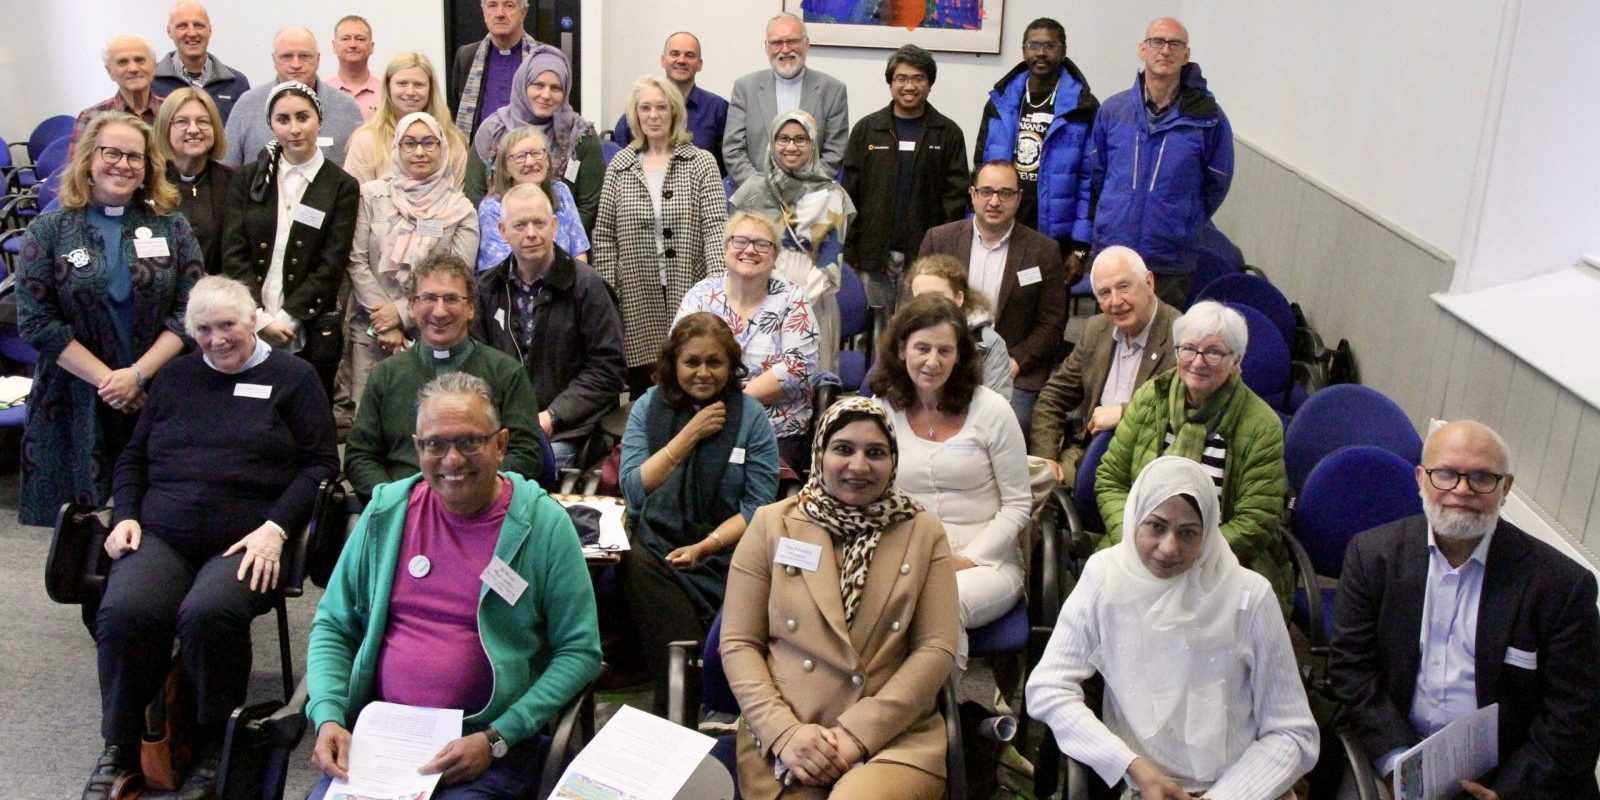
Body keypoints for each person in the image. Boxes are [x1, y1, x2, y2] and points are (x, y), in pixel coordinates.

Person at [81, 275, 338, 800]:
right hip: (163, 530)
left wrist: (276, 529)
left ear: (252, 321)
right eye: (203, 329)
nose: (217, 339)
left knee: (208, 615)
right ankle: (121, 745)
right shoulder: (175, 378)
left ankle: (212, 741)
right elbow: (133, 458)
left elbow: (319, 466)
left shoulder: (294, 377)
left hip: (249, 536)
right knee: (125, 610)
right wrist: (126, 514)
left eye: (228, 325)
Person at [306, 372, 601, 800]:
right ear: (416, 447)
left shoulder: (544, 525)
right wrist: (330, 715)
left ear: (500, 445)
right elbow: (334, 625)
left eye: (470, 442)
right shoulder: (385, 515)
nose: (452, 460)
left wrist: (499, 736)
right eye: (435, 444)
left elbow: (580, 651)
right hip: (384, 740)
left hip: (486, 745)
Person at [1330, 420, 1600, 798]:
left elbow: (1575, 717)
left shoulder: (1561, 586)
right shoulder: (1372, 555)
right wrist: (1398, 765)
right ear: (1421, 479)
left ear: (1505, 488)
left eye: (1480, 477)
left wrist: (1508, 792)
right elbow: (1351, 671)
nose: (1461, 490)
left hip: (1507, 774)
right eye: (1446, 474)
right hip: (1393, 752)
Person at [1027, 456, 1318, 800]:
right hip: (1145, 787)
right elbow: (1048, 688)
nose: (1169, 548)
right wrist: (1129, 764)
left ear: (1209, 532)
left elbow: (1293, 732)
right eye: (1156, 526)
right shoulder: (1106, 576)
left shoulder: (1249, 596)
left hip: (1241, 789)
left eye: (1188, 533)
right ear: (1135, 518)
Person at [721, 395, 958, 799]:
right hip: (789, 735)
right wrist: (784, 732)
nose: (859, 466)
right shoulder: (771, 524)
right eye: (843, 449)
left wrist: (857, 734)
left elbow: (936, 649)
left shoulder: (923, 532)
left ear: (893, 461)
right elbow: (739, 642)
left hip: (893, 736)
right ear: (819, 453)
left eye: (876, 452)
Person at [15, 111, 202, 527]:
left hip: (156, 393)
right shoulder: (49, 230)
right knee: (81, 531)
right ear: (88, 159)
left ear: (148, 166)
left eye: (135, 156)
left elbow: (189, 311)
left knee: (157, 523)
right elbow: (36, 322)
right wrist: (110, 381)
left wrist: (136, 375)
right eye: (112, 152)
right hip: (75, 397)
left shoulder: (171, 226)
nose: (123, 164)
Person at [618, 312, 779, 713]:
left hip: (724, 550)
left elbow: (757, 509)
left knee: (676, 606)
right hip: (656, 544)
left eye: (715, 363)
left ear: (731, 366)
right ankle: (685, 699)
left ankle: (676, 704)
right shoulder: (647, 407)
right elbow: (635, 488)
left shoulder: (751, 417)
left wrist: (705, 547)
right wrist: (690, 434)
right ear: (674, 363)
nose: (703, 373)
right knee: (639, 562)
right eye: (692, 362)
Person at [1093, 300, 1291, 611]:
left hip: (1218, 563)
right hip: (1136, 548)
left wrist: (1182, 556)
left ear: (1236, 361)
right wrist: (1137, 545)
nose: (1198, 361)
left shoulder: (1261, 425)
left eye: (1213, 352)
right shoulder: (1150, 398)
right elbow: (1111, 479)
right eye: (1188, 349)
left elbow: (1256, 521)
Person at [869, 294, 1030, 670]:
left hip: (985, 562)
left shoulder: (991, 409)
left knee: (940, 602)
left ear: (960, 356)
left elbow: (1019, 504)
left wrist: (968, 558)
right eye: (922, 348)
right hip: (904, 552)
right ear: (901, 349)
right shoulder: (882, 409)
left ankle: (937, 720)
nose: (932, 361)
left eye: (945, 350)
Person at [344, 252, 545, 500]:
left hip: (483, 513)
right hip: (402, 513)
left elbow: (525, 454)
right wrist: (397, 502)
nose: (439, 311)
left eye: (451, 299)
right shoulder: (385, 375)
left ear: (471, 307)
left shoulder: (506, 373)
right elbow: (360, 456)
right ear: (411, 307)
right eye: (429, 298)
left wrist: (471, 496)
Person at [337, 111, 479, 434]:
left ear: (442, 148)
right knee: (372, 427)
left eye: (428, 142)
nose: (420, 152)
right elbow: (356, 261)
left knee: (435, 427)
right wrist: (383, 320)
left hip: (434, 330)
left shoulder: (461, 209)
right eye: (410, 143)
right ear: (397, 148)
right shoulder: (371, 196)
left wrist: (401, 314)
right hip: (370, 330)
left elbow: (459, 276)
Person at [221, 81, 360, 397]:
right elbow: (234, 252)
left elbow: (331, 264)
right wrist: (259, 318)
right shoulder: (247, 178)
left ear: (319, 119)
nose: (295, 129)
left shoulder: (341, 185)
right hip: (251, 317)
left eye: (303, 117)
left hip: (309, 323)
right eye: (283, 120)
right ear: (271, 124)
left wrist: (287, 318)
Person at [595, 75, 730, 396]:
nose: (653, 115)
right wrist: (609, 294)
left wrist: (716, 288)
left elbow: (716, 227)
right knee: (646, 385)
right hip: (637, 292)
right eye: (645, 108)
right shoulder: (620, 166)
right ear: (635, 114)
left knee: (692, 373)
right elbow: (604, 236)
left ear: (674, 111)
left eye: (661, 107)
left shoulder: (701, 162)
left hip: (690, 286)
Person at [474, 184, 624, 468]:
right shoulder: (487, 290)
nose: (531, 233)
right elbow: (477, 365)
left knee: (518, 468)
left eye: (539, 223)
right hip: (500, 426)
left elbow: (609, 369)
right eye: (520, 225)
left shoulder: (588, 287)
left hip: (570, 429)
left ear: (554, 226)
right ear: (502, 232)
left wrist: (553, 416)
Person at [1089, 17, 1234, 309]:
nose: (1165, 50)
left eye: (1175, 44)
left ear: (1186, 55)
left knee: (1161, 344)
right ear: (1142, 50)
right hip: (1115, 250)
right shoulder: (1113, 110)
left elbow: (1216, 185)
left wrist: (1182, 219)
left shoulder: (1208, 118)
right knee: (1109, 341)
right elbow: (1096, 174)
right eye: (1157, 42)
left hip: (1170, 258)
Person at [918, 160, 1064, 434]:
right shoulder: (940, 240)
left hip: (1014, 366)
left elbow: (1052, 323)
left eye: (1005, 193)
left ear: (1019, 198)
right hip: (943, 358)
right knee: (929, 420)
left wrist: (1015, 362)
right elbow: (916, 311)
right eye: (986, 192)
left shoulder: (1043, 251)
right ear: (973, 195)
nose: (994, 201)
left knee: (1008, 425)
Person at [675, 212, 819, 469]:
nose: (750, 250)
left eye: (762, 244)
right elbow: (676, 356)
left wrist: (728, 404)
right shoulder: (701, 294)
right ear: (725, 248)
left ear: (775, 257)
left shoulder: (793, 298)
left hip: (775, 429)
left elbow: (798, 369)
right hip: (700, 423)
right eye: (740, 241)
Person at [1029, 246, 1181, 480]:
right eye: (1104, 293)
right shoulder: (1096, 329)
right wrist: (1047, 458)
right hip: (1088, 452)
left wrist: (1124, 414)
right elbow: (1053, 397)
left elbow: (1184, 409)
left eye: (1123, 286)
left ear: (1149, 282)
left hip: (1148, 460)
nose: (1116, 301)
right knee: (1035, 488)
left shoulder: (1180, 336)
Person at [841, 44, 969, 312]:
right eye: (901, 78)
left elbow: (955, 199)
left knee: (917, 325)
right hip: (873, 251)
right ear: (890, 83)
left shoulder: (948, 133)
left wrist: (944, 253)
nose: (909, 86)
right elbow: (849, 193)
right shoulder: (867, 129)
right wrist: (850, 247)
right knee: (874, 329)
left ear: (930, 84)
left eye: (917, 78)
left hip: (925, 255)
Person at [731, 109, 853, 376]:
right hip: (755, 296)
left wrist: (793, 303)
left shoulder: (832, 194)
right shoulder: (753, 190)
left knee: (806, 379)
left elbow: (830, 262)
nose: (791, 147)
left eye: (800, 139)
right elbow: (733, 246)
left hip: (812, 299)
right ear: (772, 142)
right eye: (783, 139)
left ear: (813, 143)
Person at [974, 17, 1098, 280]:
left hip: (1056, 236)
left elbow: (1090, 182)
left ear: (1063, 52)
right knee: (998, 306)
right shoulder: (1000, 102)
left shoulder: (1082, 108)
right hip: (1003, 225)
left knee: (1047, 313)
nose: (1041, 53)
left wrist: (1079, 249)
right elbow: (980, 168)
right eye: (1034, 45)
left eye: (1050, 46)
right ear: (1023, 50)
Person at [467, 45, 602, 226]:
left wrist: (548, 241)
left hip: (563, 243)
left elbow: (589, 206)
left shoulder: (580, 135)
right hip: (498, 239)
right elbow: (474, 197)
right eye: (538, 85)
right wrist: (512, 240)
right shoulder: (492, 130)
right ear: (523, 84)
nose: (546, 95)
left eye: (555, 88)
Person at [724, 13, 849, 187]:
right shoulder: (745, 88)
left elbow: (835, 153)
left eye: (792, 41)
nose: (785, 49)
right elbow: (733, 150)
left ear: (806, 44)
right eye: (776, 43)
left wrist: (802, 191)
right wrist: (762, 190)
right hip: (756, 201)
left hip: (811, 201)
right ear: (766, 47)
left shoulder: (833, 90)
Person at [219, 28, 364, 168]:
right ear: (274, 60)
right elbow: (226, 170)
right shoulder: (247, 105)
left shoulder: (347, 108)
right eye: (286, 57)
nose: (296, 64)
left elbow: (361, 169)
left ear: (318, 59)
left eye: (304, 56)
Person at [343, 52, 470, 189]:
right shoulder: (365, 141)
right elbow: (358, 200)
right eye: (402, 83)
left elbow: (459, 198)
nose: (410, 91)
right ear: (388, 86)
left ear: (431, 89)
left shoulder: (452, 140)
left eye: (418, 84)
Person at [611, 32, 730, 176]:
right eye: (675, 54)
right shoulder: (639, 110)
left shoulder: (718, 109)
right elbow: (621, 164)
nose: (681, 60)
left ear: (700, 64)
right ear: (663, 60)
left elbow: (728, 167)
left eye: (689, 55)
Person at [475, 126, 590, 270]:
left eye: (536, 153)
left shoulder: (561, 192)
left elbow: (579, 253)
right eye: (520, 156)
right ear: (506, 169)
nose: (530, 162)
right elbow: (498, 269)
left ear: (548, 162)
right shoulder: (491, 208)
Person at [904, 254, 1012, 402]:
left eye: (938, 296)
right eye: (920, 298)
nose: (929, 305)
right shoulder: (901, 336)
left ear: (959, 298)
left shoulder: (989, 342)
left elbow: (998, 407)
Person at [155, 86, 233, 275]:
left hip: (217, 294)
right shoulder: (149, 182)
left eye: (203, 122)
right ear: (165, 128)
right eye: (182, 122)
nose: (193, 130)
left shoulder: (234, 182)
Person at [450, 0, 541, 140]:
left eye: (508, 5)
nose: (500, 14)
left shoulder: (543, 57)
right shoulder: (466, 56)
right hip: (478, 156)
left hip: (529, 156)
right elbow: (454, 113)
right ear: (484, 13)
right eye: (492, 5)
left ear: (523, 13)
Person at [69, 35, 167, 159]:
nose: (133, 68)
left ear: (154, 67)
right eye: (122, 62)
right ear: (110, 72)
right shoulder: (91, 118)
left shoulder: (173, 112)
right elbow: (77, 172)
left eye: (139, 60)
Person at [152, 2, 250, 122]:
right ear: (169, 31)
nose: (192, 33)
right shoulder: (150, 82)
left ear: (210, 30)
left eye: (198, 25)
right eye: (182, 26)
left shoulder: (237, 84)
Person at [325, 16, 380, 120]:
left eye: (360, 39)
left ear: (371, 47)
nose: (353, 45)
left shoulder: (386, 92)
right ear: (334, 46)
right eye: (345, 39)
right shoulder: (322, 91)